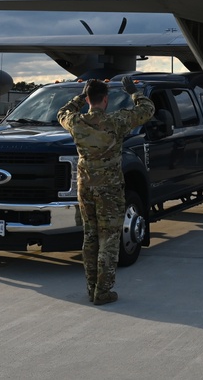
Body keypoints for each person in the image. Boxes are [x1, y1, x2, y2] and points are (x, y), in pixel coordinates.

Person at [58, 76, 155, 305]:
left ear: (89, 99)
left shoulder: (76, 122)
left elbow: (62, 112)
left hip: (85, 186)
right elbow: (147, 109)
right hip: (109, 189)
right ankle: (103, 291)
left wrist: (80, 95)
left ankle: (92, 287)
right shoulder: (116, 122)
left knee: (90, 236)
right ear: (106, 100)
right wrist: (133, 91)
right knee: (109, 238)